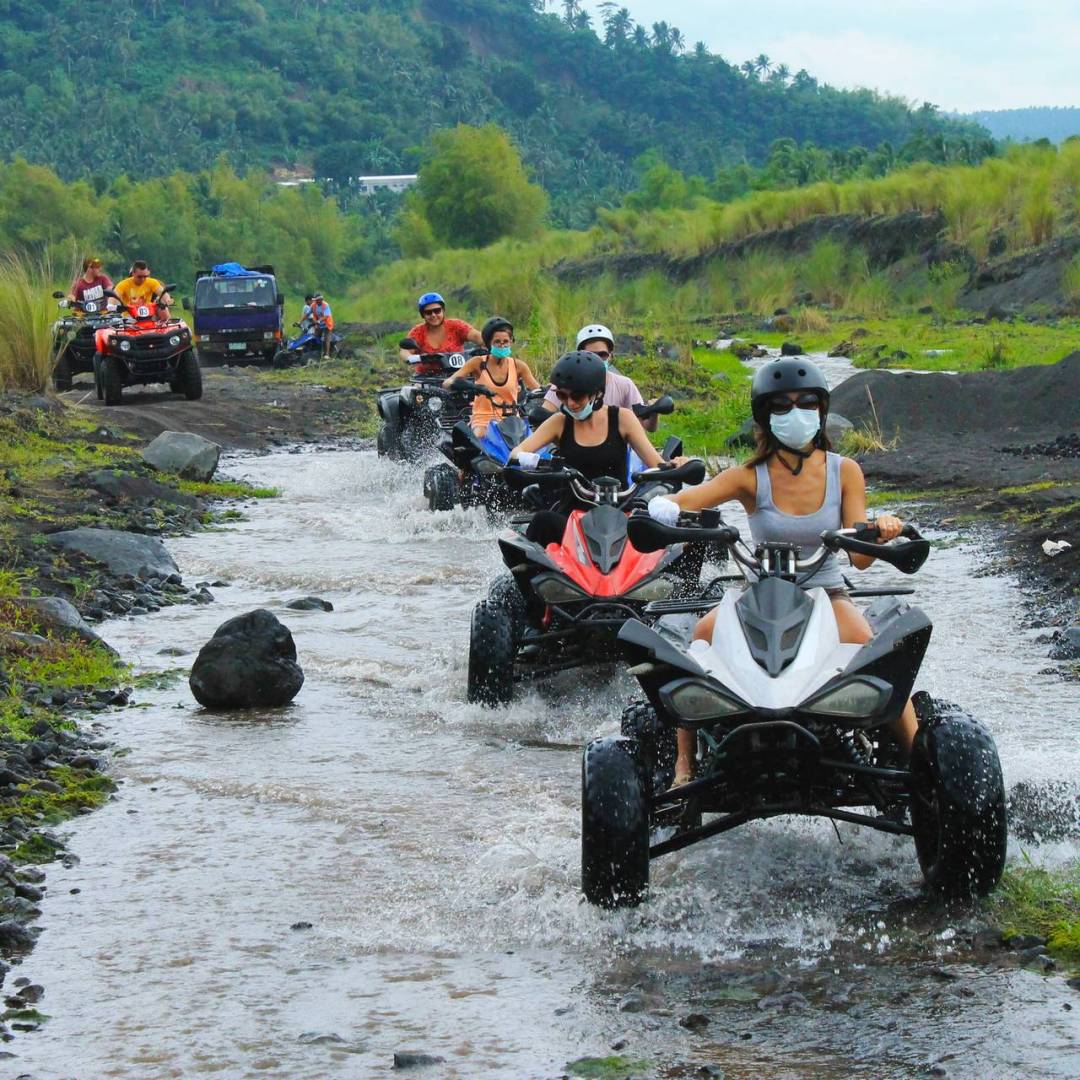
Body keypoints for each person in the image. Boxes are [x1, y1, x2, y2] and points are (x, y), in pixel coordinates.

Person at [646, 357, 916, 786]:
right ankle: (684, 765)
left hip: (827, 595)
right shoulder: (750, 476)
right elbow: (695, 498)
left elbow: (860, 560)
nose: (796, 413)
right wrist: (662, 506)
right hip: (758, 596)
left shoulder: (845, 471)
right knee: (699, 639)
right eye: (783, 406)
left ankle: (921, 762)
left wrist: (881, 531)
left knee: (875, 652)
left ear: (821, 410)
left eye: (806, 403)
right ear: (765, 417)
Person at [510, 350, 679, 547]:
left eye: (577, 396)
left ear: (597, 393)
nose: (570, 403)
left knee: (657, 534)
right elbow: (517, 453)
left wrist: (676, 466)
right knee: (542, 521)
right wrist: (540, 462)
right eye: (562, 396)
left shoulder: (623, 418)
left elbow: (656, 464)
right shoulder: (559, 422)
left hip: (620, 511)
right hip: (572, 516)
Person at [540, 323, 659, 431]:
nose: (597, 360)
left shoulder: (625, 385)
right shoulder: (564, 381)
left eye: (602, 355)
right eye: (590, 355)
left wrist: (654, 412)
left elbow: (644, 426)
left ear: (611, 356)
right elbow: (543, 415)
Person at [443, 316, 540, 436]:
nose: (502, 346)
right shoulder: (477, 363)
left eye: (505, 342)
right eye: (497, 342)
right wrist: (472, 387)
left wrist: (549, 390)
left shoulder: (519, 366)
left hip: (512, 420)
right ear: (489, 344)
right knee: (480, 438)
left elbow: (537, 389)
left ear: (511, 342)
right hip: (483, 420)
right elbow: (447, 383)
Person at [399, 292, 482, 361]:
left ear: (443, 310)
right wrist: (415, 358)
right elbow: (405, 352)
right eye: (428, 313)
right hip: (426, 377)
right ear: (423, 315)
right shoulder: (417, 332)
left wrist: (490, 347)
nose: (433, 315)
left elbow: (477, 336)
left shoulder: (456, 325)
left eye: (437, 311)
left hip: (459, 375)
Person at [309, 294, 335, 359]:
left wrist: (319, 320)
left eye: (317, 300)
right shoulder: (313, 305)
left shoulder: (326, 305)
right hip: (319, 324)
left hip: (327, 324)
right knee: (315, 337)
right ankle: (317, 352)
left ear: (321, 300)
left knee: (326, 339)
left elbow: (326, 316)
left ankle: (327, 354)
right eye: (315, 300)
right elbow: (307, 314)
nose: (316, 302)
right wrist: (300, 322)